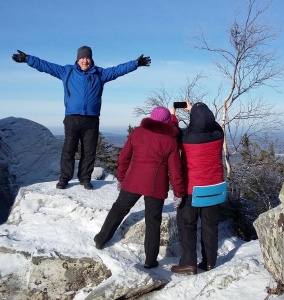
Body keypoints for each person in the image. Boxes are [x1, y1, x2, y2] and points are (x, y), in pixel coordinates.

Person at [12, 46, 151, 190]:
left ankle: (85, 179)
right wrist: (28, 59)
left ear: (91, 59)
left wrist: (135, 64)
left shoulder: (100, 74)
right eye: (82, 58)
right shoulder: (67, 71)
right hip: (72, 118)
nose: (85, 61)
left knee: (89, 151)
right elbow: (46, 66)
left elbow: (117, 70)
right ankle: (64, 179)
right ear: (78, 59)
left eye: (87, 58)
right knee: (69, 150)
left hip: (91, 119)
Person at [94, 106, 185, 269]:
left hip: (133, 181)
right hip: (155, 186)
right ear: (167, 122)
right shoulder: (170, 141)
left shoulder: (137, 133)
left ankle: (101, 239)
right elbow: (175, 171)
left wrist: (121, 177)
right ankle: (150, 260)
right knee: (153, 221)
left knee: (119, 209)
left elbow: (124, 157)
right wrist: (179, 192)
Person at [170, 100, 224, 275]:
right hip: (215, 188)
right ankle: (209, 262)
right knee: (210, 225)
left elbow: (172, 131)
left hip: (192, 190)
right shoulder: (218, 133)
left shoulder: (186, 138)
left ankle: (188, 263)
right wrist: (195, 108)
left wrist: (173, 115)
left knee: (187, 224)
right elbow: (210, 122)